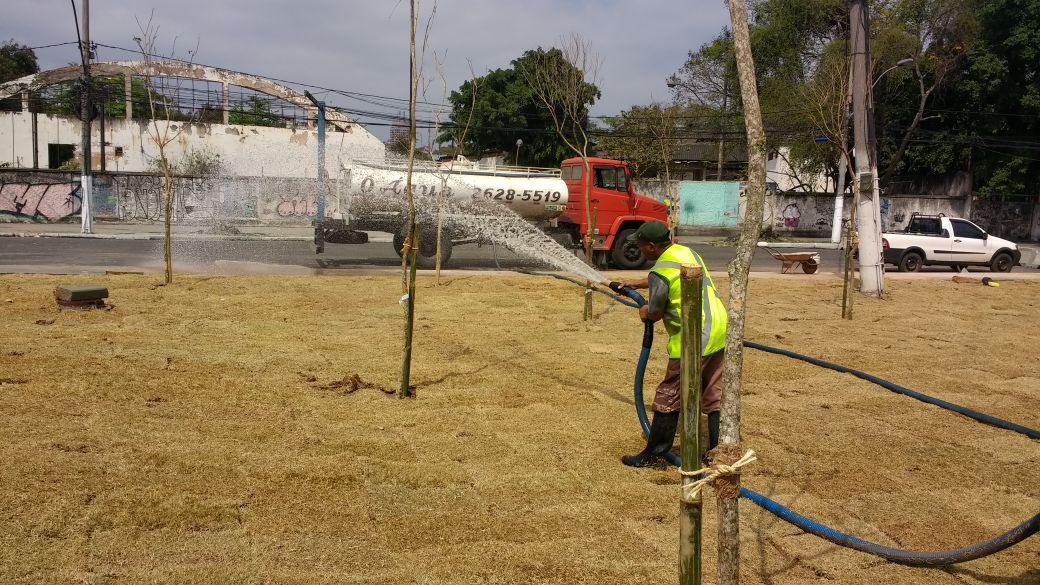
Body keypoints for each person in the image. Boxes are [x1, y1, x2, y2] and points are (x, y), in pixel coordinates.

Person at [612, 221, 728, 467]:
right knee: (713, 393)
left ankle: (655, 454)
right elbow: (671, 277)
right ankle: (718, 453)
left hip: (694, 336)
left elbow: (654, 311)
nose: (640, 250)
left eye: (641, 246)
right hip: (718, 328)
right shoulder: (685, 252)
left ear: (652, 247)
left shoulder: (660, 270)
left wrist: (645, 311)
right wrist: (638, 284)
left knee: (669, 394)